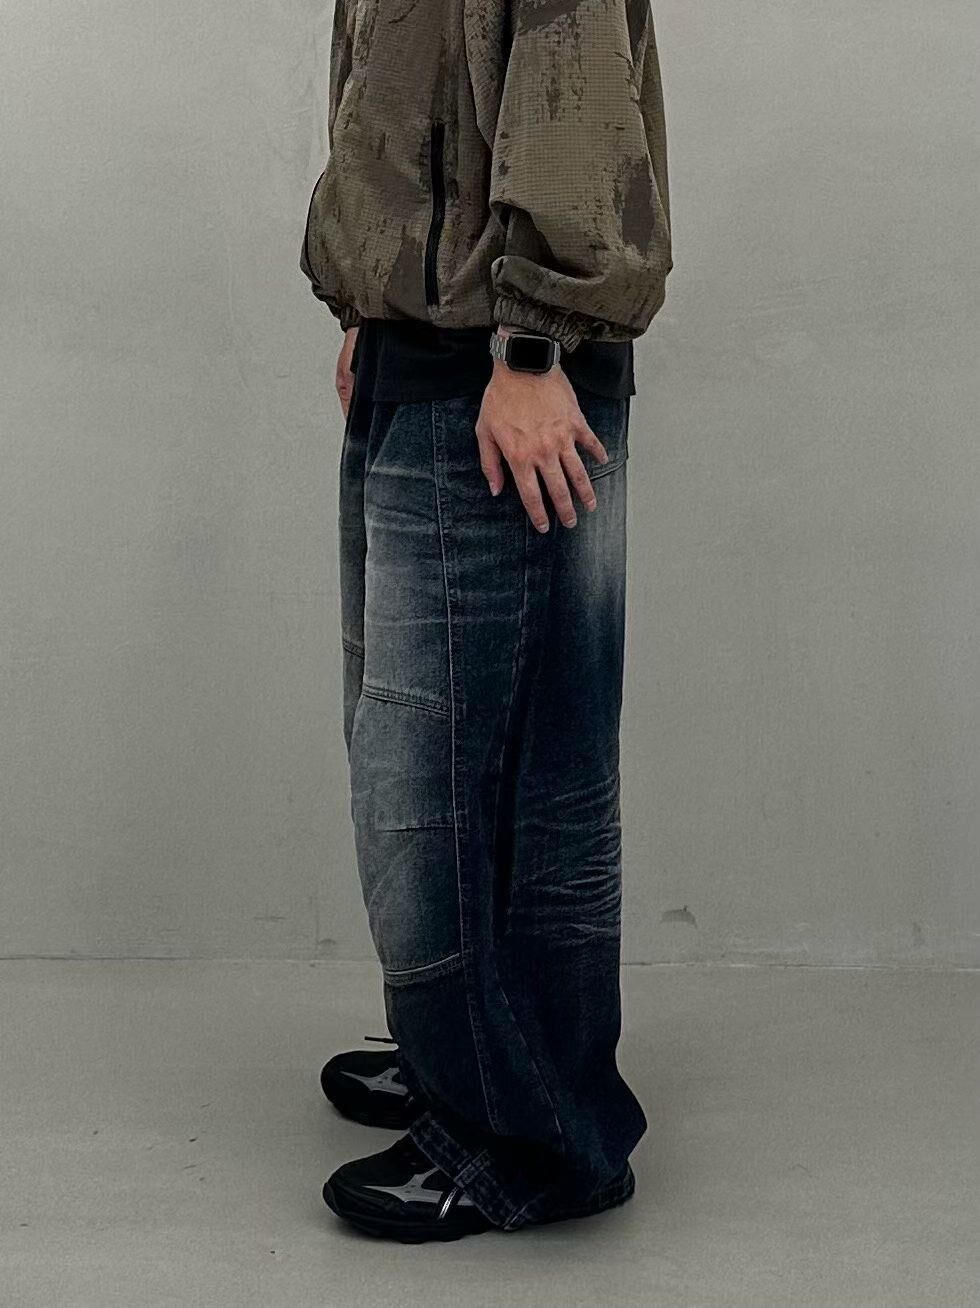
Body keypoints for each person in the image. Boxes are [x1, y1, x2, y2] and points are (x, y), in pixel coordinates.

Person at [301, 0, 671, 1242]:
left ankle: (532, 1135)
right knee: (422, 753)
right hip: (428, 346)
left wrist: (529, 348)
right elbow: (403, 90)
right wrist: (371, 301)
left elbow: (568, 84)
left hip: (504, 373)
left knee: (492, 775)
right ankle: (464, 1055)